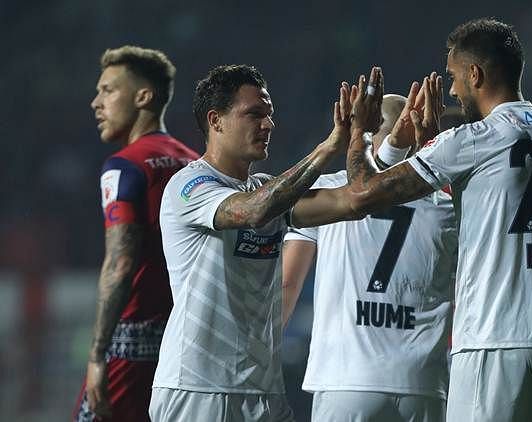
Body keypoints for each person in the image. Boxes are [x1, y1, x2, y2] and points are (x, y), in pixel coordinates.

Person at [345, 18, 532, 422]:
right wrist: (429, 145)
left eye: (454, 77)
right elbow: (493, 200)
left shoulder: (476, 138)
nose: (452, 90)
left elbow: (363, 192)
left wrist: (359, 132)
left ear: (475, 74)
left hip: (495, 338)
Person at [149, 65, 369, 422]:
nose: (268, 124)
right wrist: (328, 148)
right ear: (215, 120)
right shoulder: (189, 186)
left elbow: (354, 201)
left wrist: (361, 138)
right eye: (254, 114)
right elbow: (253, 211)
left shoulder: (266, 187)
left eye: (269, 114)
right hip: (199, 389)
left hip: (264, 391)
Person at [281, 94, 457, 421]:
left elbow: (287, 285)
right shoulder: (446, 208)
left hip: (346, 380)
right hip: (422, 383)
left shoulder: (328, 192)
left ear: (369, 134)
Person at [74, 46, 199, 422]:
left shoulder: (124, 166)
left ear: (143, 96)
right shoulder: (195, 164)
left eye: (109, 90)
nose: (96, 102)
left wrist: (97, 355)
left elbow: (121, 260)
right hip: (184, 348)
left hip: (131, 347)